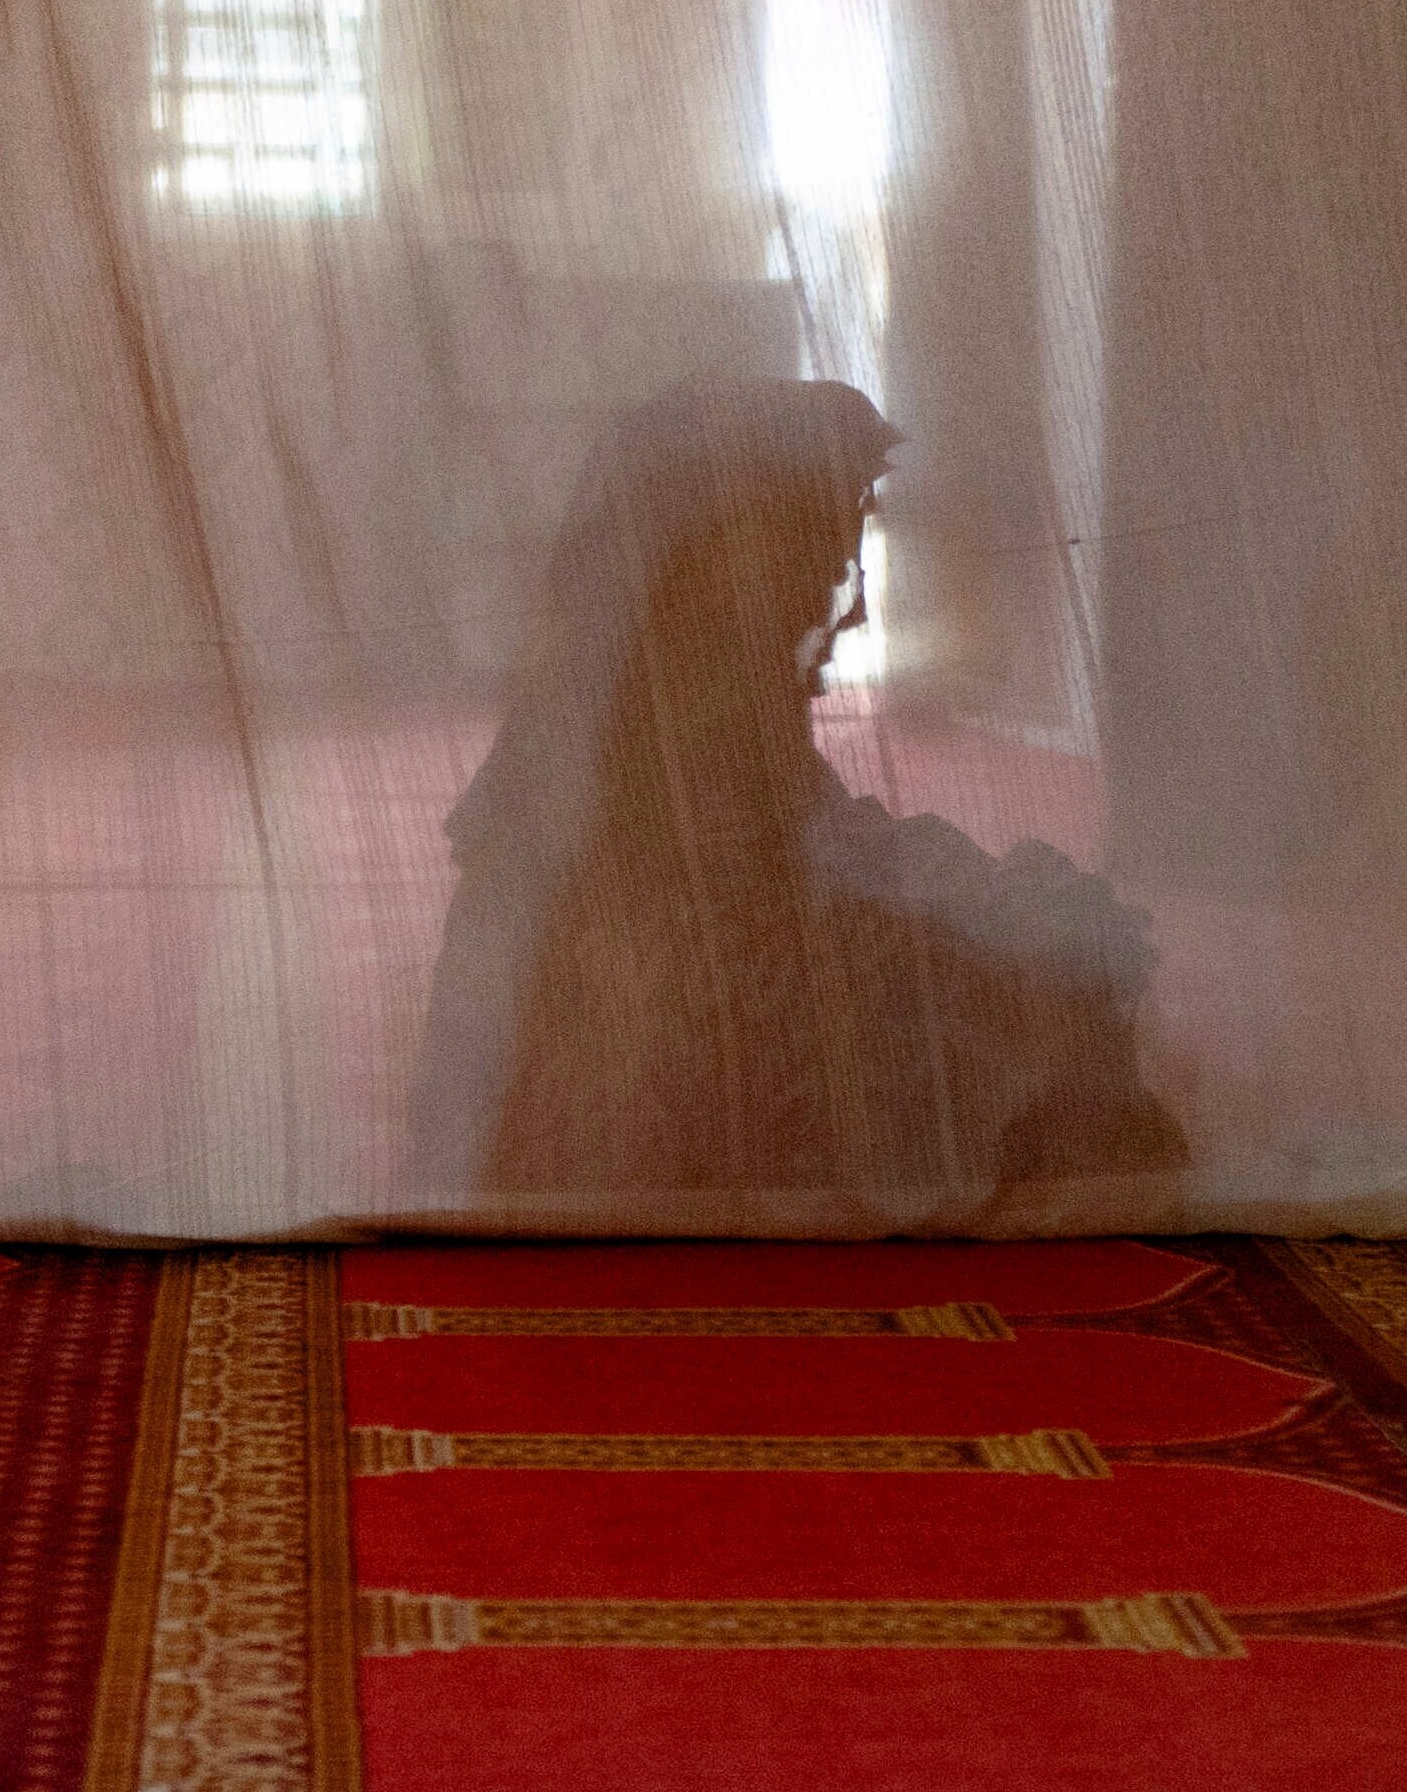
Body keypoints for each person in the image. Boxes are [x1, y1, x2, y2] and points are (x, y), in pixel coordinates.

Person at [411, 378, 1183, 1219]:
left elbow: (793, 840)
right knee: (1027, 996)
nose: (847, 612)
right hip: (683, 992)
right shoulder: (683, 704)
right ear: (747, 570)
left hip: (708, 945)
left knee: (1026, 957)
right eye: (821, 571)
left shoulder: (680, 675)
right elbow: (732, 911)